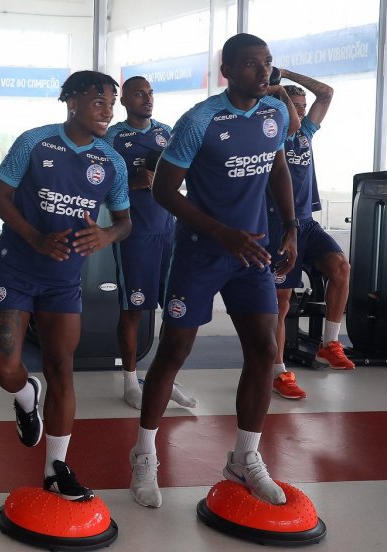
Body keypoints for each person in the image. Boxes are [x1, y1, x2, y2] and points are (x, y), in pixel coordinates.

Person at [128, 33, 297, 509]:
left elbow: (278, 167)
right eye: (250, 64)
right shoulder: (200, 120)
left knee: (264, 350)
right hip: (202, 255)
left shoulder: (275, 112)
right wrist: (223, 233)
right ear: (227, 71)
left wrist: (290, 228)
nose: (263, 72)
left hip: (254, 255)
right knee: (175, 351)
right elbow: (163, 192)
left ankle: (244, 458)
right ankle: (144, 454)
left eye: (266, 62)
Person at [0, 71, 131, 502]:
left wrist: (106, 235)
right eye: (98, 102)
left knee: (62, 370)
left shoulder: (112, 162)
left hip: (64, 282)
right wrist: (34, 238)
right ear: (71, 102)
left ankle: (55, 467)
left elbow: (125, 222)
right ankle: (25, 396)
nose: (108, 111)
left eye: (112, 103)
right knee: (6, 370)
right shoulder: (35, 142)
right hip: (15, 271)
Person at [104, 76, 196, 411]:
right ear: (125, 100)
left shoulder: (167, 132)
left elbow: (184, 174)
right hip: (134, 235)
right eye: (139, 94)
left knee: (174, 309)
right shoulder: (113, 136)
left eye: (151, 93)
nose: (147, 98)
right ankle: (130, 381)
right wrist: (135, 181)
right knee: (134, 310)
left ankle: (164, 379)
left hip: (168, 232)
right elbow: (99, 185)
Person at [265, 69, 352, 401]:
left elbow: (326, 92)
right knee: (281, 304)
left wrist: (285, 74)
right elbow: (288, 117)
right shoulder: (271, 136)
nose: (301, 111)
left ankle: (330, 342)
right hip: (278, 227)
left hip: (308, 224)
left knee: (341, 268)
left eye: (303, 105)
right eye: (294, 105)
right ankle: (278, 372)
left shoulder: (306, 135)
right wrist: (275, 87)